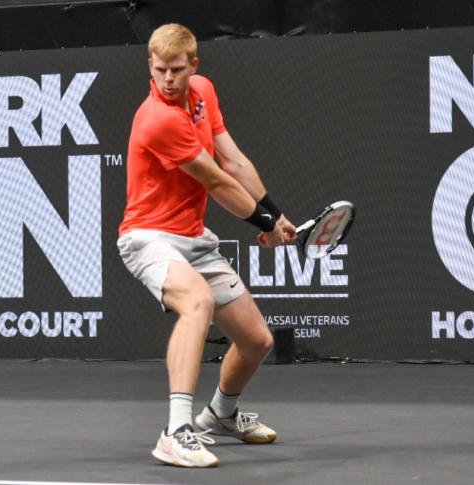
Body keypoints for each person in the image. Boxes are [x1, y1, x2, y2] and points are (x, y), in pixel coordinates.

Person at [117, 23, 297, 468]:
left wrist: (276, 214)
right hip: (147, 237)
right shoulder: (158, 119)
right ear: (150, 67)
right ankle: (176, 432)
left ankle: (220, 414)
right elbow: (217, 182)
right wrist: (266, 223)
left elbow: (233, 159)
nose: (168, 80)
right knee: (196, 301)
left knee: (256, 341)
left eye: (177, 70)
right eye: (159, 70)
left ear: (194, 65)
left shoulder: (202, 92)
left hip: (194, 239)